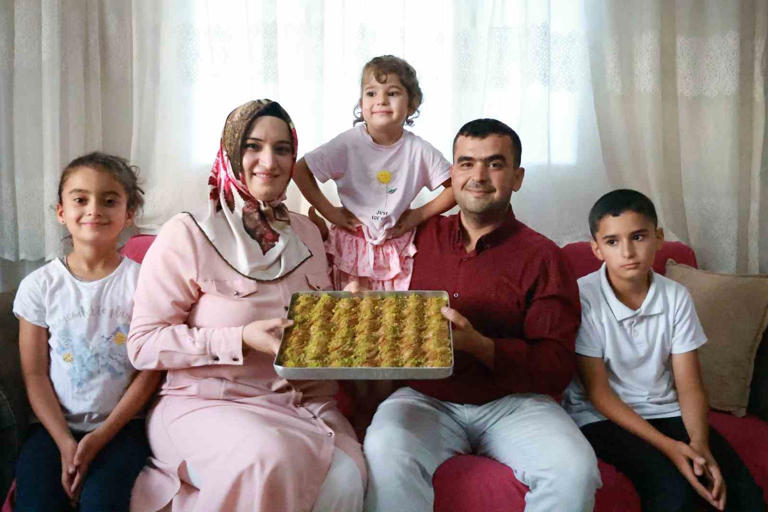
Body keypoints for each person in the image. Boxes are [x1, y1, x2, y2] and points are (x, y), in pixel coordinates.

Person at [127, 100, 366, 512]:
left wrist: (343, 319)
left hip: (299, 404)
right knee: (267, 459)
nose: (268, 162)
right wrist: (241, 338)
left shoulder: (308, 233)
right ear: (231, 152)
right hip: (205, 403)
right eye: (253, 147)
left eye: (282, 149)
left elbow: (310, 341)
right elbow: (144, 344)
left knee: (347, 476)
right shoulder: (188, 233)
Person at [363, 119, 602, 512]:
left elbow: (556, 366)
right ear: (452, 173)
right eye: (466, 163)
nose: (478, 176)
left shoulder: (543, 256)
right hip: (426, 398)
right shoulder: (415, 238)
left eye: (494, 164)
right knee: (385, 450)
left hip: (514, 403)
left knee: (574, 470)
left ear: (517, 177)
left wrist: (479, 346)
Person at [562, 189, 766, 512]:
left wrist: (698, 444)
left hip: (664, 409)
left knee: (738, 490)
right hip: (602, 417)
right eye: (613, 242)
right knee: (673, 492)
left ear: (657, 238)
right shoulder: (584, 297)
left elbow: (689, 385)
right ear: (596, 249)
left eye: (638, 236)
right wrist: (672, 448)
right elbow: (599, 393)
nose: (628, 251)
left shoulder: (676, 297)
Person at [12, 152, 159, 511]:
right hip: (51, 429)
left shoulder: (144, 283)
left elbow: (149, 370)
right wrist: (65, 442)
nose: (94, 209)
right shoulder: (38, 286)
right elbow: (34, 374)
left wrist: (99, 438)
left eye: (110, 200)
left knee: (102, 503)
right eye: (80, 199)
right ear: (62, 211)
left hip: (123, 429)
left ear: (129, 214)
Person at [293, 55, 455, 291]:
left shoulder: (418, 149)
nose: (380, 100)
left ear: (412, 104)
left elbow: (456, 187)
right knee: (350, 314)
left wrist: (418, 215)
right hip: (351, 242)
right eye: (371, 93)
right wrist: (330, 213)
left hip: (394, 245)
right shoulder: (348, 143)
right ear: (361, 103)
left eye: (392, 93)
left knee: (390, 317)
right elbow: (300, 170)